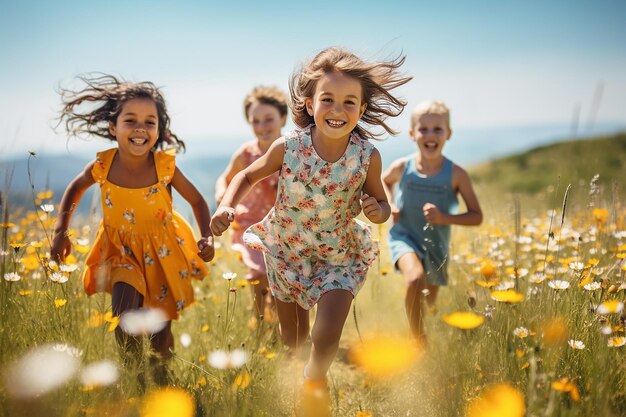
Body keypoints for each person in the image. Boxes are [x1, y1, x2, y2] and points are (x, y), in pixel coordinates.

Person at [211, 47, 411, 415]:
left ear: (362, 109)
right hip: (286, 252)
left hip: (338, 256)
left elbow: (382, 205)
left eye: (349, 102)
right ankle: (300, 380)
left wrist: (376, 210)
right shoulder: (289, 147)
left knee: (325, 336)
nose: (338, 110)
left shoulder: (367, 156)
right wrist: (227, 204)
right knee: (295, 342)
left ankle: (315, 383)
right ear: (309, 102)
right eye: (328, 99)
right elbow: (247, 175)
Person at [51, 74, 214, 387]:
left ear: (159, 129)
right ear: (113, 128)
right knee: (125, 318)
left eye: (149, 122)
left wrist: (205, 236)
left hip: (163, 253)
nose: (140, 129)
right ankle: (135, 379)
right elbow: (75, 188)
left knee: (160, 332)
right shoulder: (103, 165)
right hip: (121, 251)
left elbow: (197, 201)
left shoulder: (165, 166)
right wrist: (61, 231)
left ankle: (161, 377)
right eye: (131, 120)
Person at [382, 100, 482, 345]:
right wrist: (390, 204)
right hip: (403, 236)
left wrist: (444, 218)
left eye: (437, 129)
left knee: (426, 302)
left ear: (448, 134)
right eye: (423, 129)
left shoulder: (457, 174)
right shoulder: (402, 167)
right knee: (414, 279)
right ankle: (417, 341)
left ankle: (419, 332)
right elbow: (384, 182)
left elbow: (476, 216)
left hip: (436, 246)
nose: (430, 135)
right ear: (412, 134)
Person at [214, 86, 288, 320]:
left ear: (283, 119)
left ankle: (276, 327)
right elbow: (225, 179)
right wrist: (223, 199)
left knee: (281, 280)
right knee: (258, 274)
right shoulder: (246, 153)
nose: (262, 127)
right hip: (250, 225)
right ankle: (258, 321)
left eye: (268, 120)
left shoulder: (292, 151)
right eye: (255, 121)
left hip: (284, 228)